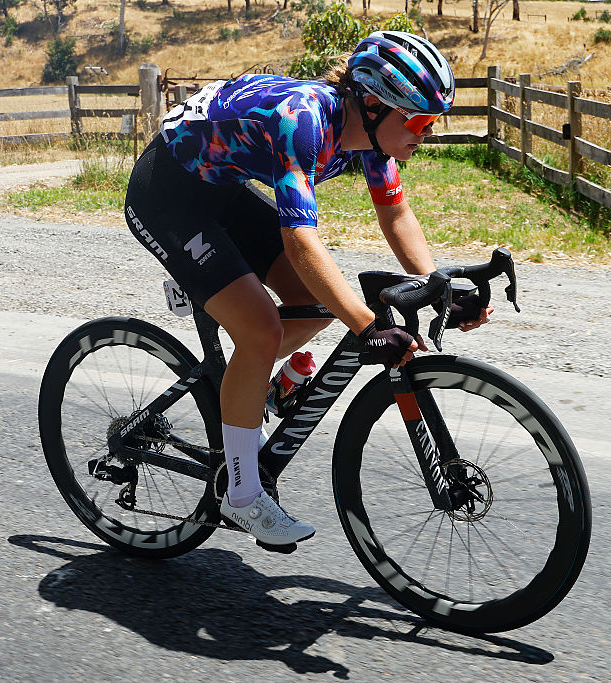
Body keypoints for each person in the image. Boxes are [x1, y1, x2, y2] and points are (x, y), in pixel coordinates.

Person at [124, 31, 492, 549]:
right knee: (262, 330)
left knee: (318, 305)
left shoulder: (368, 137)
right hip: (167, 195)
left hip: (222, 188)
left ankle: (251, 383)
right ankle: (242, 495)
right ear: (372, 103)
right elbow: (301, 244)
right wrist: (367, 327)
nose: (426, 133)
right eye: (418, 120)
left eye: (432, 122)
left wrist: (438, 288)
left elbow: (395, 213)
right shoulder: (304, 123)